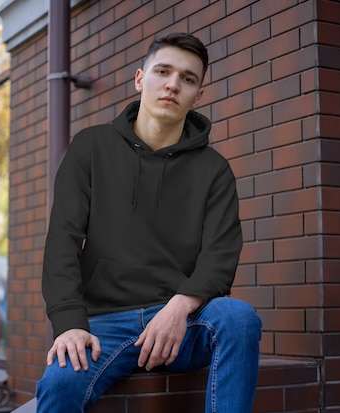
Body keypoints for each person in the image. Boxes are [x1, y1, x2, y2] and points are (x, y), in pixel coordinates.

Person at [35, 32, 262, 413]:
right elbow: (63, 240)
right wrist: (69, 323)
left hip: (181, 322)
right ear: (141, 79)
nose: (173, 84)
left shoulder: (214, 170)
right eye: (163, 71)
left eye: (188, 79)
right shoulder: (91, 147)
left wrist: (178, 308)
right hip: (103, 324)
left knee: (238, 318)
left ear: (198, 96)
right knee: (59, 385)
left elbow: (220, 254)